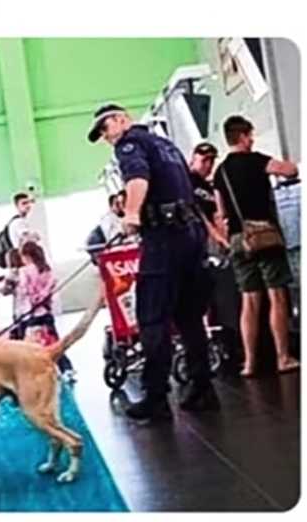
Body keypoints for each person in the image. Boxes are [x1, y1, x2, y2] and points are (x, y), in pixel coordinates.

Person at [89, 103, 219, 421]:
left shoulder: (129, 144)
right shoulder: (166, 144)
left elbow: (137, 180)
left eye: (106, 127)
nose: (106, 137)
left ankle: (157, 397)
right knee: (189, 318)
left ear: (122, 120)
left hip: (164, 238)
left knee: (151, 318)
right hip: (191, 236)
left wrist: (132, 213)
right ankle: (203, 388)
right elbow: (195, 188)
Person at [213, 115, 299, 377]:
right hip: (264, 235)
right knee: (277, 296)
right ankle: (283, 357)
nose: (252, 139)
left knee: (249, 301)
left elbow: (221, 211)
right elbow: (290, 170)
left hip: (239, 239)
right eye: (250, 135)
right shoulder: (257, 160)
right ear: (242, 136)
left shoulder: (220, 172)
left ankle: (250, 363)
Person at [17, 240, 76, 380]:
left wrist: (32, 298)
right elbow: (51, 286)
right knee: (55, 341)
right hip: (46, 311)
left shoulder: (24, 271)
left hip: (31, 313)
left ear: (26, 256)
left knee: (30, 344)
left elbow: (25, 289)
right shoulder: (46, 269)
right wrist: (42, 296)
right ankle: (66, 368)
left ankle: (31, 372)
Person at [188, 142, 229, 254]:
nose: (208, 165)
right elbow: (198, 213)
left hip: (214, 241)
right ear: (193, 159)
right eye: (204, 160)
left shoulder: (209, 186)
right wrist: (216, 236)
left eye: (211, 161)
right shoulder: (186, 182)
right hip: (199, 238)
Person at [86, 190, 127, 262]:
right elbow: (110, 237)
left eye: (122, 203)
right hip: (102, 243)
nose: (120, 206)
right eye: (117, 204)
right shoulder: (107, 218)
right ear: (111, 206)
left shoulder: (125, 214)